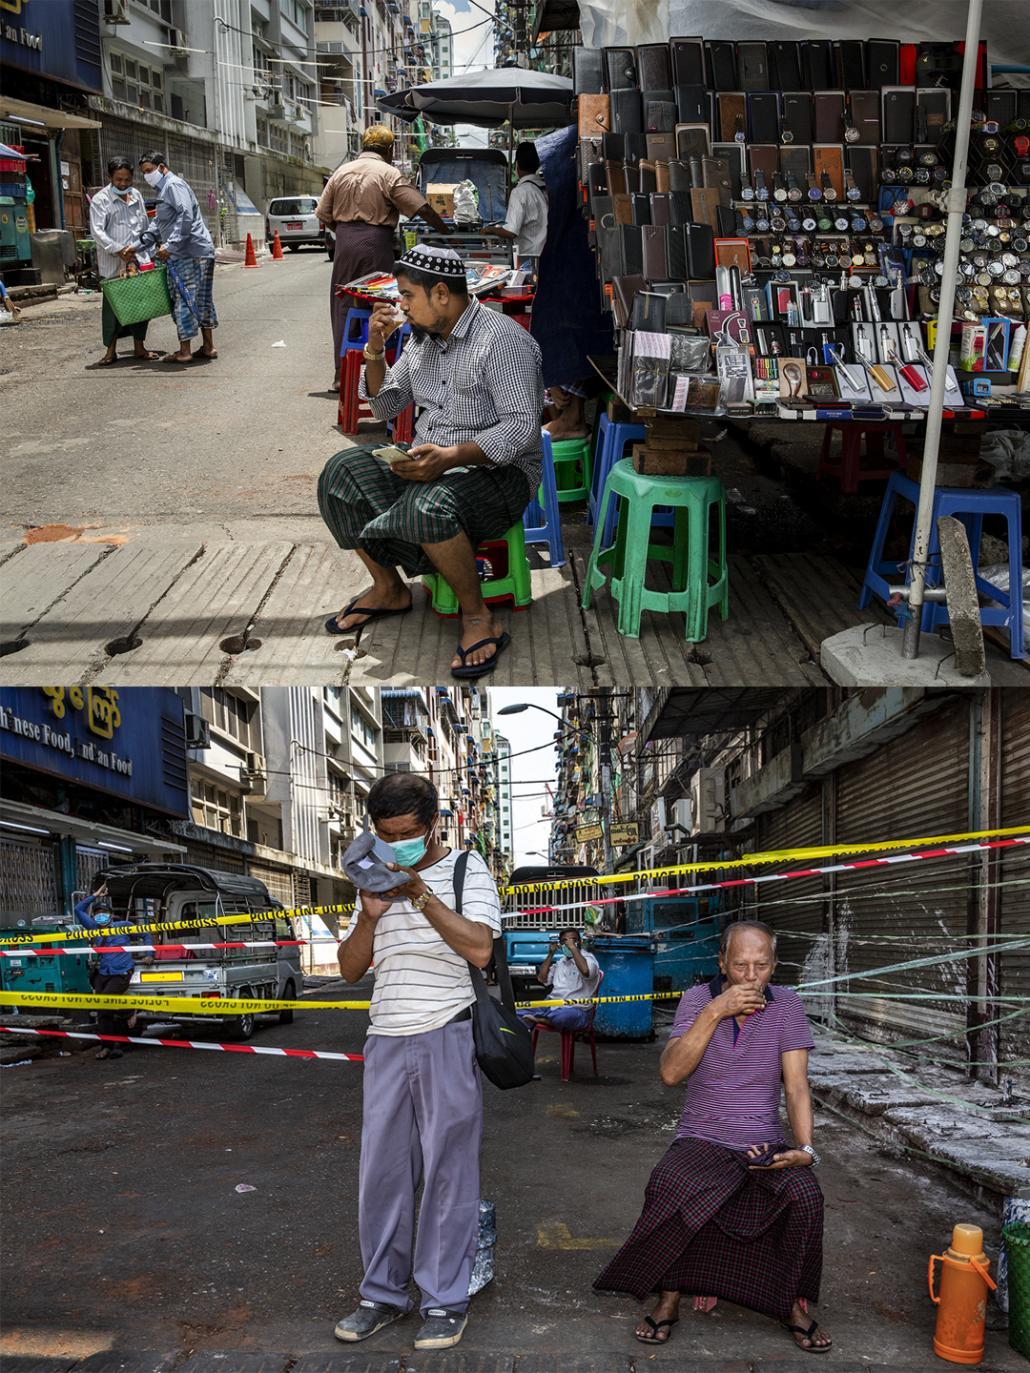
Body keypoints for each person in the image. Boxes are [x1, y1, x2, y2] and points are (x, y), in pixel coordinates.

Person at [594, 921, 831, 1355]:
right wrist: (715, 1011)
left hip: (761, 1143)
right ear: (722, 963)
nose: (750, 976)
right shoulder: (696, 1001)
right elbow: (670, 1074)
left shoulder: (788, 1007)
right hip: (701, 1138)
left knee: (804, 1196)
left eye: (761, 966)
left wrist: (805, 1150)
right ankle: (669, 1298)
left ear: (774, 967)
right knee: (669, 1183)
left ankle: (788, 1304)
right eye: (740, 965)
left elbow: (797, 1087)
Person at [317, 243, 543, 679]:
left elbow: (520, 430)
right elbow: (385, 406)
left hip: (499, 473)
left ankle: (479, 616)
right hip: (432, 461)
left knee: (428, 506)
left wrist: (450, 458)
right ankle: (389, 589)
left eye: (406, 296)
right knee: (340, 473)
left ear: (441, 294)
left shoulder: (502, 341)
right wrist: (375, 351)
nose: (400, 305)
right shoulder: (424, 339)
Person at [334, 772, 501, 1352]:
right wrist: (370, 915)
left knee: (449, 1176)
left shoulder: (465, 870)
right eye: (384, 833)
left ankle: (444, 1300)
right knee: (380, 1177)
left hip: (446, 1035)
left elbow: (481, 948)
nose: (394, 843)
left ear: (433, 825)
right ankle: (381, 1294)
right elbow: (350, 970)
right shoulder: (370, 875)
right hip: (385, 1038)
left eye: (406, 834)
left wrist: (419, 894)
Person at [316, 126, 450, 386]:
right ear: (388, 150)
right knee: (381, 306)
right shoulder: (388, 173)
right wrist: (444, 229)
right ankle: (377, 373)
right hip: (375, 243)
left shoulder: (341, 171)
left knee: (344, 305)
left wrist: (345, 233)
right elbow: (421, 207)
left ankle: (341, 376)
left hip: (344, 244)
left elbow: (324, 214)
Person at [134, 151, 218, 365]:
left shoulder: (173, 185)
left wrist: (170, 245)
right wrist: (138, 245)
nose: (147, 176)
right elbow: (160, 223)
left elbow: (185, 215)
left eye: (149, 171)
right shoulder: (164, 190)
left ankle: (184, 351)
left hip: (189, 252)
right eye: (144, 173)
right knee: (201, 299)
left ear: (162, 167)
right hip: (195, 250)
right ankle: (208, 347)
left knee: (184, 298)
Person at [88, 157, 161, 367]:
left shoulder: (136, 195)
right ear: (110, 177)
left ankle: (139, 346)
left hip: (137, 259)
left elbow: (144, 226)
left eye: (127, 179)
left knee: (141, 305)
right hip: (113, 262)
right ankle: (110, 351)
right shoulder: (101, 200)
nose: (123, 183)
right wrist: (118, 250)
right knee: (112, 308)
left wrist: (144, 249)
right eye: (118, 179)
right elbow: (98, 231)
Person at [75, 884, 153, 1060]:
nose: (100, 915)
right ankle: (107, 1046)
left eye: (104, 912)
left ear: (110, 915)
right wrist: (95, 895)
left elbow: (145, 934)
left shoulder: (124, 926)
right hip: (103, 973)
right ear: (94, 916)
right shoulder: (93, 928)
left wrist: (149, 954)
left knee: (106, 1002)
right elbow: (78, 909)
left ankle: (128, 1011)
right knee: (103, 1012)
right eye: (97, 913)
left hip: (122, 972)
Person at [519, 927, 600, 1033]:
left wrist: (573, 949)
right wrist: (550, 954)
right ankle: (542, 1019)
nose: (568, 944)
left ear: (579, 942)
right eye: (564, 942)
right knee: (516, 1013)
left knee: (564, 1017)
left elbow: (586, 971)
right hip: (552, 1005)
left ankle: (539, 1019)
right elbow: (542, 979)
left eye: (572, 940)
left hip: (576, 1009)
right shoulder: (561, 962)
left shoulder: (589, 959)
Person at [484, 141, 549, 270]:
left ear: (517, 165)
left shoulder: (520, 192)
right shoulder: (544, 188)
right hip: (548, 253)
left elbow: (511, 231)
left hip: (529, 258)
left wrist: (489, 229)